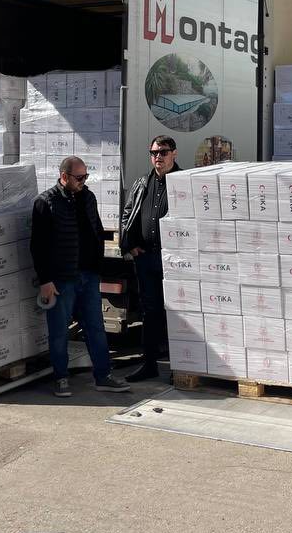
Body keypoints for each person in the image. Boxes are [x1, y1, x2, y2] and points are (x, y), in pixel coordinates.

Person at [29, 155, 130, 398]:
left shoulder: (88, 197)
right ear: (64, 177)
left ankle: (103, 376)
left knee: (96, 327)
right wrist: (45, 281)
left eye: (86, 176)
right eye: (79, 177)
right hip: (61, 279)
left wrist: (98, 267)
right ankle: (61, 378)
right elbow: (38, 246)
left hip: (89, 275)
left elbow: (96, 231)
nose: (84, 181)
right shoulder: (45, 202)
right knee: (59, 331)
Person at [120, 135, 181, 382]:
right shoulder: (141, 183)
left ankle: (179, 367)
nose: (158, 157)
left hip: (173, 261)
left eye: (163, 152)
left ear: (174, 154)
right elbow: (128, 214)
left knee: (176, 314)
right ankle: (149, 365)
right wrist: (130, 244)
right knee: (150, 312)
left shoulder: (182, 182)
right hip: (146, 259)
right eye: (154, 153)